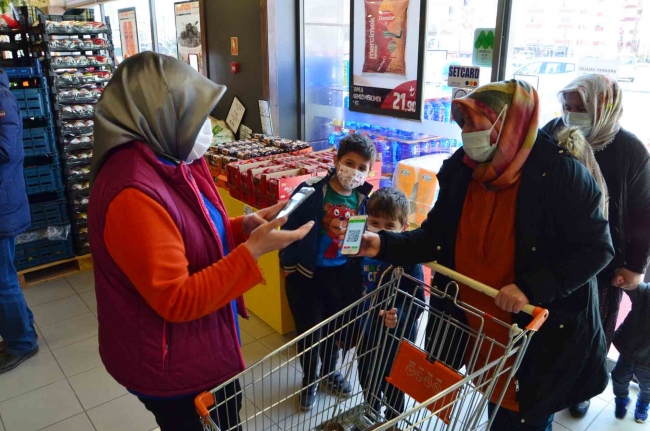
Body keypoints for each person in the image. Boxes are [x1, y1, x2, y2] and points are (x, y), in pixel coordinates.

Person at [355, 80, 614, 430]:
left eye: (475, 126)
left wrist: (530, 288)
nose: (466, 135)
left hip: (534, 342)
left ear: (512, 123)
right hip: (480, 331)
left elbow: (597, 248)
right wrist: (383, 243)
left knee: (525, 417)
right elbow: (435, 238)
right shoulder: (463, 170)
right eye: (462, 125)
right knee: (496, 409)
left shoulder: (561, 174)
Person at [88, 52, 313, 431]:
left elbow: (185, 231)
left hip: (195, 346)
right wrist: (253, 250)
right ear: (160, 111)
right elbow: (175, 297)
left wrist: (242, 226)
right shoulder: (131, 191)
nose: (203, 127)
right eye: (193, 114)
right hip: (171, 363)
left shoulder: (168, 156)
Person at [542, 73, 650, 418]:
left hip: (604, 264)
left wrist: (635, 265)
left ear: (604, 108)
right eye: (568, 106)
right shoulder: (552, 132)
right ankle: (546, 382)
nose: (572, 115)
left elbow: (643, 213)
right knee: (550, 326)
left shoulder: (630, 150)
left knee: (593, 332)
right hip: (553, 255)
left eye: (582, 108)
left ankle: (581, 388)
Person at [279, 133, 377, 411]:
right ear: (335, 160)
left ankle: (329, 372)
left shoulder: (363, 198)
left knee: (336, 328)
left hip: (342, 275)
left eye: (362, 167)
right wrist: (287, 265)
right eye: (349, 162)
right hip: (306, 274)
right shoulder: (311, 191)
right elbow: (288, 228)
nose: (354, 171)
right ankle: (309, 379)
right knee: (309, 331)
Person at [355, 188, 425, 421]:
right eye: (374, 223)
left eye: (389, 226)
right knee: (366, 374)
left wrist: (400, 316)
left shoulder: (408, 259)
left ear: (403, 228)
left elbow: (418, 302)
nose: (380, 231)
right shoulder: (362, 251)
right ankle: (372, 411)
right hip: (367, 330)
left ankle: (394, 418)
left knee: (393, 381)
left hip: (398, 339)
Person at [0, 68, 37, 374]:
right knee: (4, 275)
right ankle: (23, 329)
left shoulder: (2, 99)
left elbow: (5, 150)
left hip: (3, 204)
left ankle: (22, 341)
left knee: (2, 280)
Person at [610, 281, 650, 423]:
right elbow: (635, 286)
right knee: (618, 377)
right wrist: (624, 280)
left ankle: (643, 404)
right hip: (629, 351)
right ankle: (622, 399)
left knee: (648, 388)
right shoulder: (646, 292)